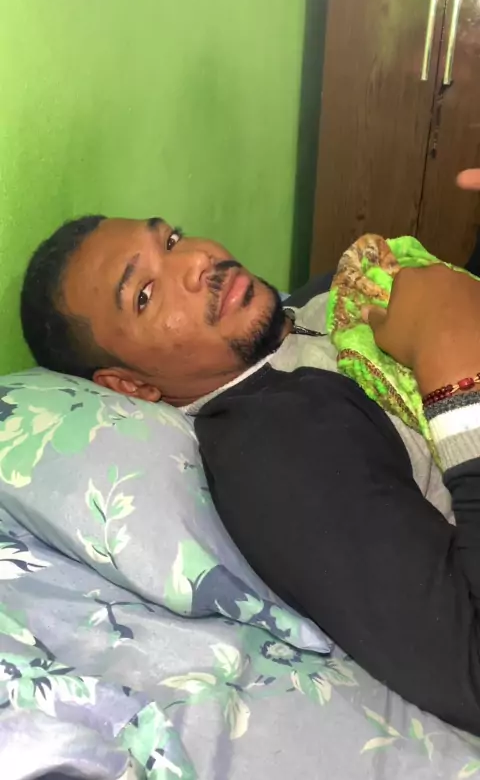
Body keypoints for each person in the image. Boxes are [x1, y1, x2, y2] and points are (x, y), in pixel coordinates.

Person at [19, 169, 480, 735]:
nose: (197, 261)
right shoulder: (275, 443)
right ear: (130, 386)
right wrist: (456, 372)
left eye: (171, 240)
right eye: (145, 295)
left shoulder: (310, 305)